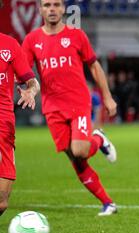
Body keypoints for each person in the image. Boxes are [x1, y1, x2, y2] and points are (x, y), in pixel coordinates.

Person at [22, 0, 118, 216]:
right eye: (47, 5)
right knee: (75, 158)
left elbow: (94, 65)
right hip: (52, 108)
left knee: (80, 150)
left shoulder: (76, 35)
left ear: (64, 8)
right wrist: (30, 89)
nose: (52, 9)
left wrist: (107, 97)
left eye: (56, 4)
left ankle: (99, 139)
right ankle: (108, 203)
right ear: (40, 10)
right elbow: (26, 74)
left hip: (77, 103)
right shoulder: (31, 40)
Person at [0, 0, 40, 216]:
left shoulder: (9, 45)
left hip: (3, 124)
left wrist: (30, 91)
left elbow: (33, 81)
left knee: (2, 204)